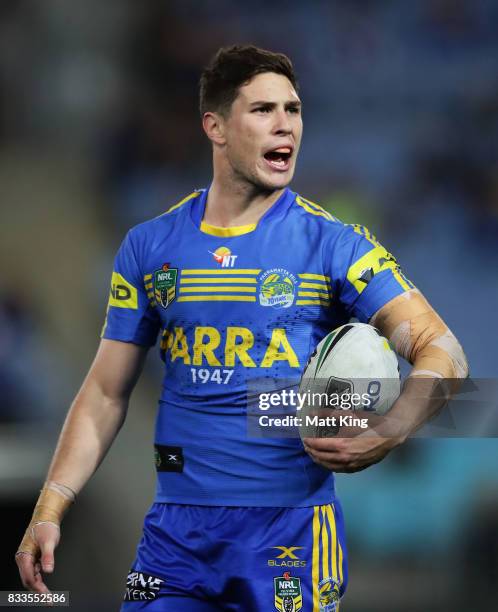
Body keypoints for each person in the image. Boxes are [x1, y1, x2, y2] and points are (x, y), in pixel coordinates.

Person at [16, 45, 468, 611]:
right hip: (174, 541)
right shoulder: (150, 248)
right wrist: (51, 505)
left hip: (291, 539)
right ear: (216, 127)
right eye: (262, 110)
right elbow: (106, 392)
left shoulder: (336, 246)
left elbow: (443, 351)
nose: (286, 125)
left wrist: (390, 431)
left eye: (294, 109)